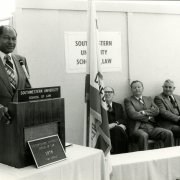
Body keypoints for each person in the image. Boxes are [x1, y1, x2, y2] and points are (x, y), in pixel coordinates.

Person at [124, 80, 173, 150]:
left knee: (168, 133)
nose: (137, 89)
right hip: (138, 128)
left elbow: (156, 111)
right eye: (134, 87)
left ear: (142, 88)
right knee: (144, 135)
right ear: (131, 89)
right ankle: (144, 158)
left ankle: (169, 154)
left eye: (139, 87)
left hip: (152, 127)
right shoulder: (128, 100)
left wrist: (144, 112)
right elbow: (133, 114)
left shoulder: (148, 98)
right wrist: (149, 116)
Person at [0, 25, 31, 123]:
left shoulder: (21, 60)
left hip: (19, 119)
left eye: (14, 39)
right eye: (6, 38)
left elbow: (27, 89)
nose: (11, 42)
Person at [104, 86, 128, 154]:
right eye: (105, 92)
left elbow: (123, 119)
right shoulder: (99, 107)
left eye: (110, 92)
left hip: (117, 130)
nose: (107, 94)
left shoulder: (118, 106)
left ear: (113, 94)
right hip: (105, 130)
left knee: (118, 130)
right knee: (118, 130)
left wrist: (115, 124)